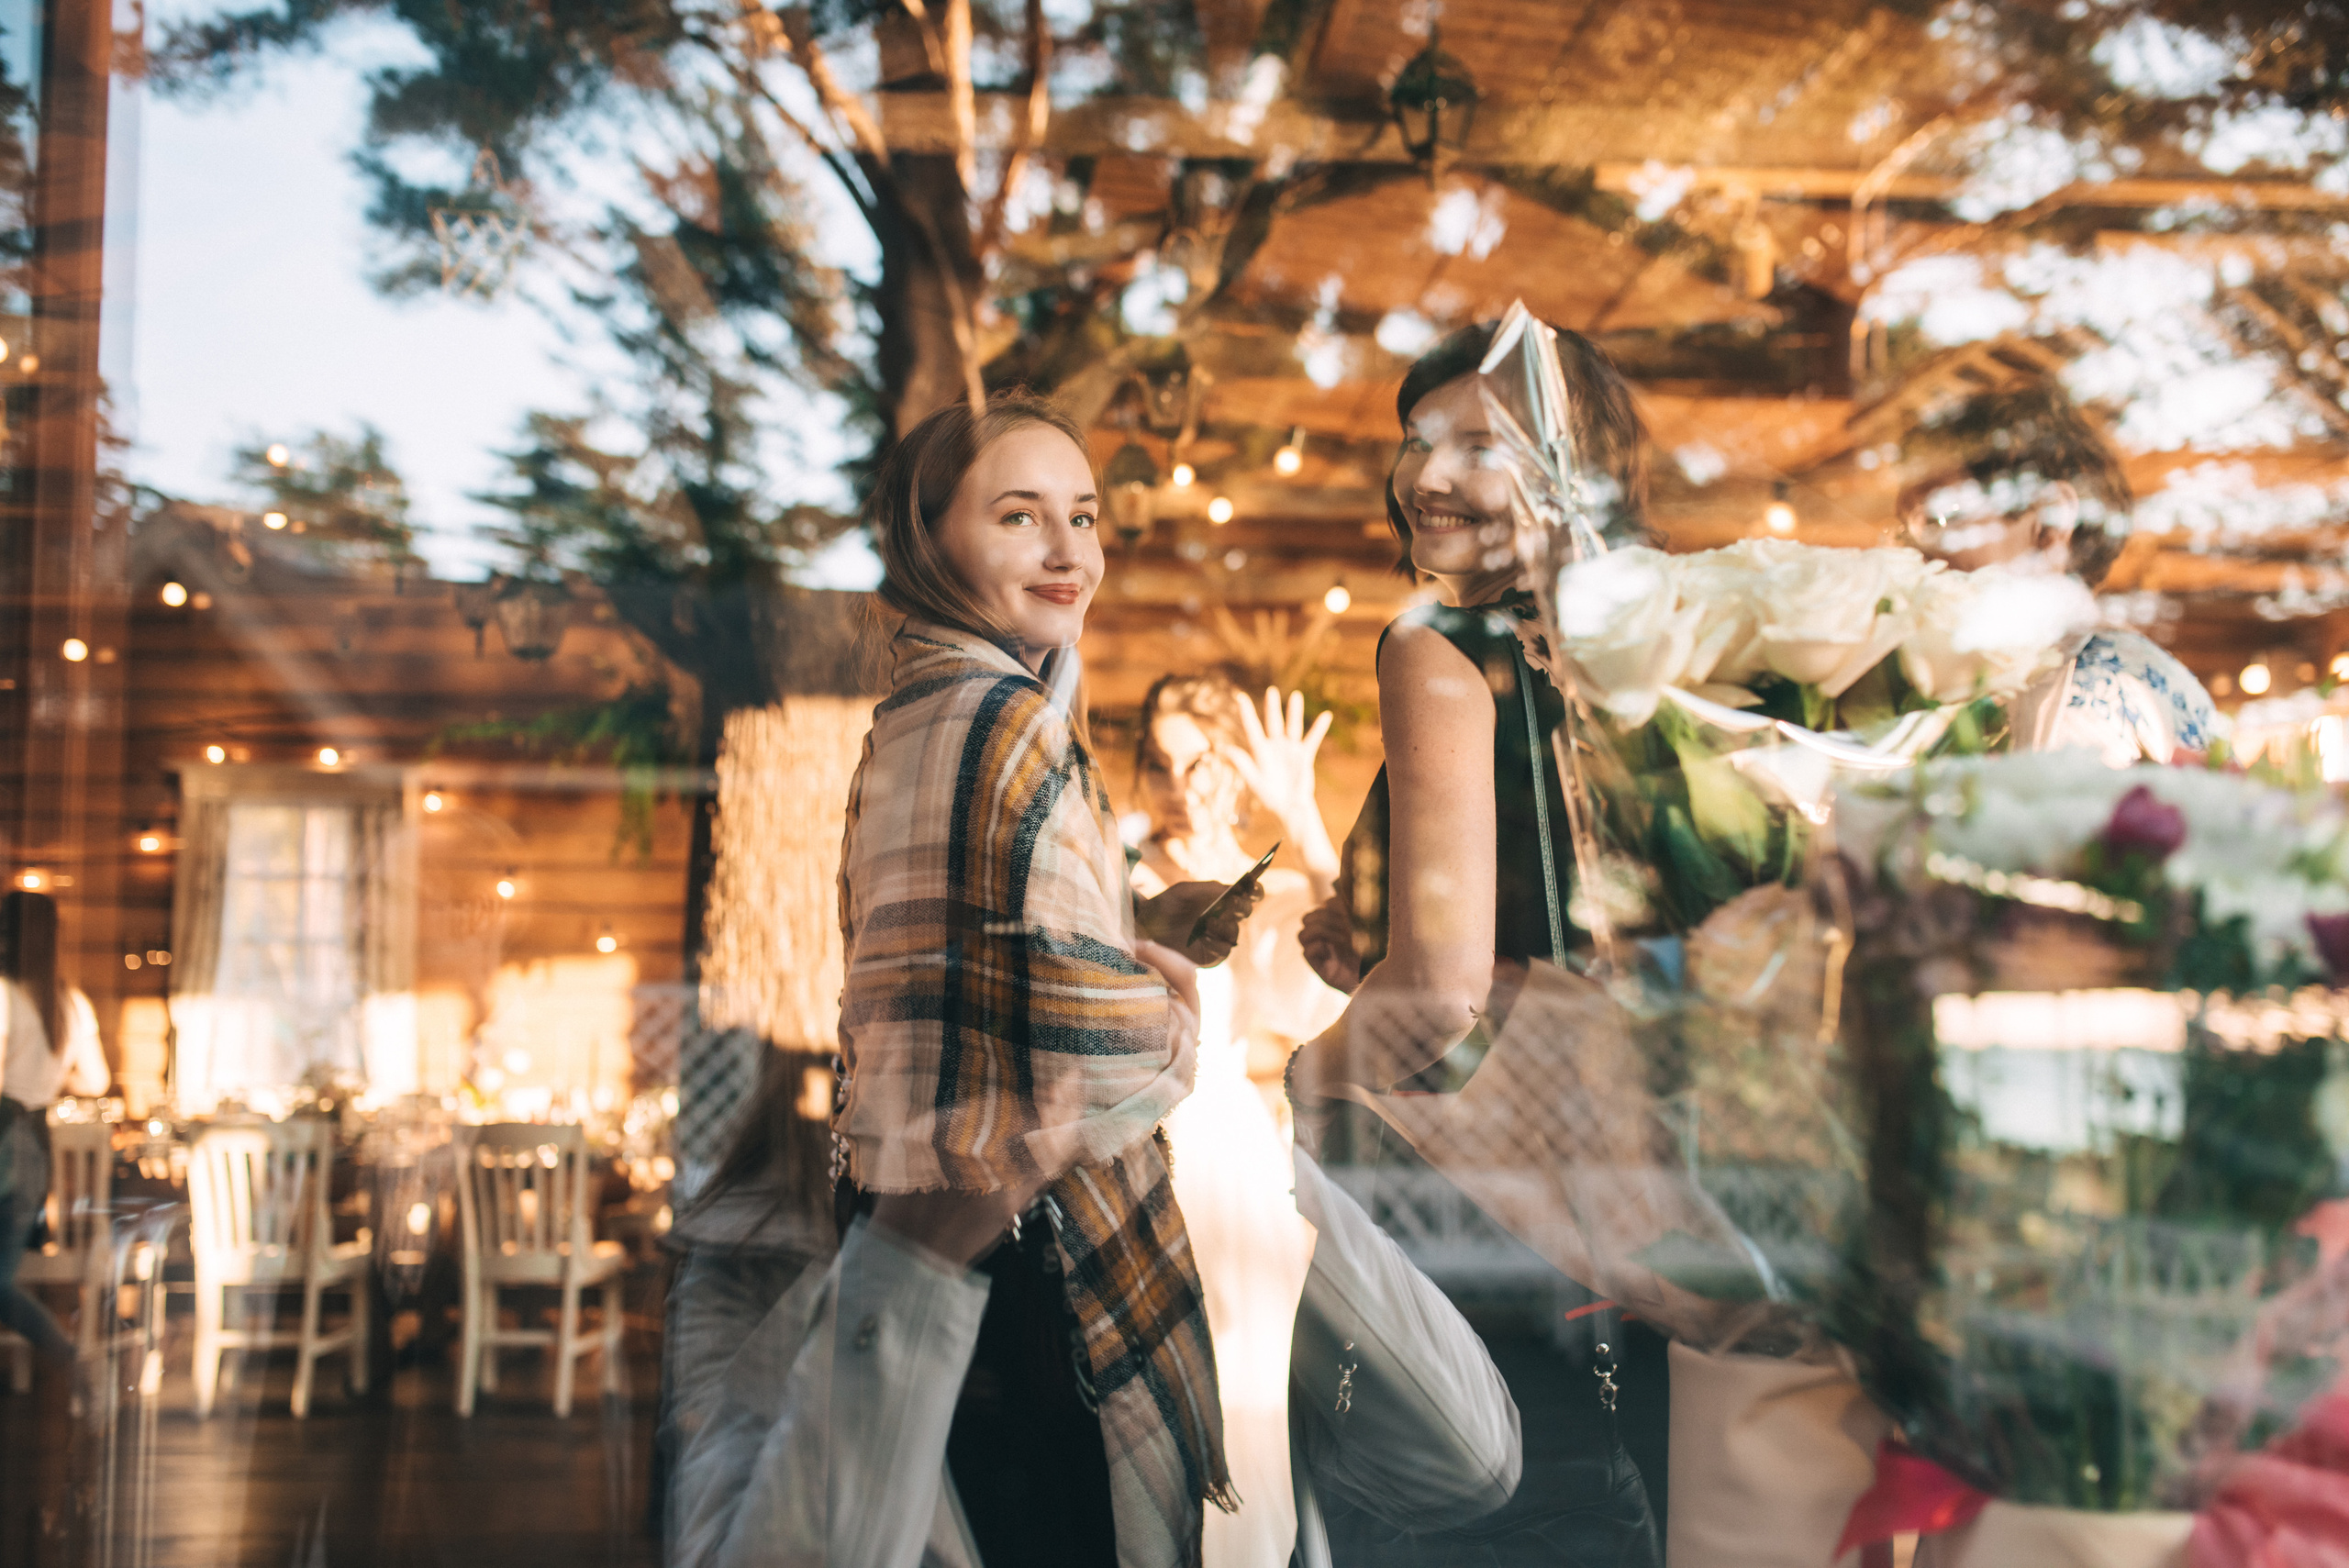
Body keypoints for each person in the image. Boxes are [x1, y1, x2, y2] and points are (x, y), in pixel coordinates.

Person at [675, 391, 1253, 1568]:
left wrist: (1120, 923)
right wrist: (1173, 1005)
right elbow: (1081, 1041)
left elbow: (984, 961)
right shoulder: (1000, 719)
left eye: (1083, 516)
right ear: (929, 541)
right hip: (1023, 1257)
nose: (1067, 550)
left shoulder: (921, 713)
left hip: (944, 1230)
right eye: (1019, 515)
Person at [1286, 321, 1668, 1564]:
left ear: (1566, 472)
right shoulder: (1646, 660)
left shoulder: (1436, 647)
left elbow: (1441, 995)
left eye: (1474, 445)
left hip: (1471, 1214)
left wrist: (1303, 1078)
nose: (1425, 475)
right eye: (1416, 441)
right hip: (1641, 1211)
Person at [1130, 675, 1345, 1567]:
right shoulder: (1122, 877)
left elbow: (1354, 973)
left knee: (1245, 1399)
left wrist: (1301, 816)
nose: (1181, 781)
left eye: (1203, 759)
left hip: (1229, 1164)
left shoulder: (1272, 885)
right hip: (1139, 1150)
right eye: (1161, 760)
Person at [1894, 379, 2221, 763]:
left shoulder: (2104, 691)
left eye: (1942, 518)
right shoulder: (1987, 685)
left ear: (2051, 521)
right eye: (1905, 529)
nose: (1915, 553)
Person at [0, 890, 109, 1373]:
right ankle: (76, 1359)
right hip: (35, 1144)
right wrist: (48, 1073)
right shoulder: (71, 1002)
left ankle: (74, 1358)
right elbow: (96, 1081)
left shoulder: (5, 994)